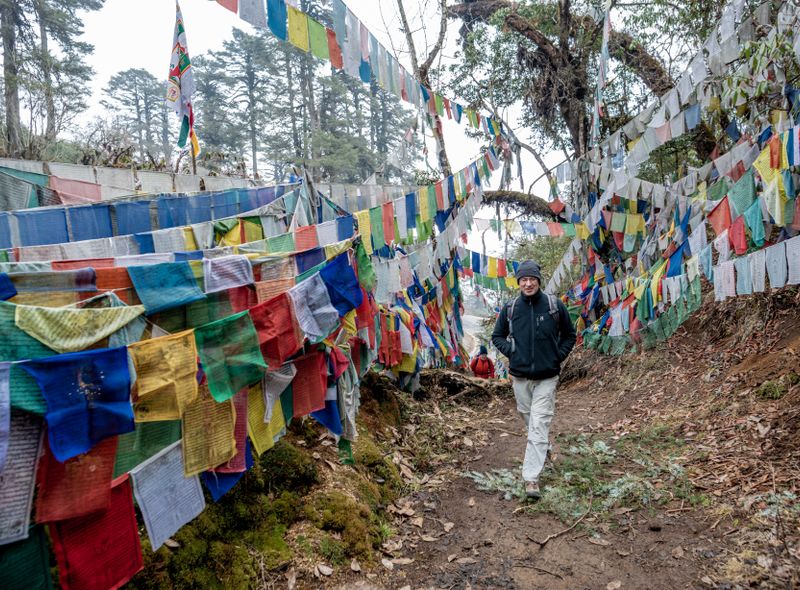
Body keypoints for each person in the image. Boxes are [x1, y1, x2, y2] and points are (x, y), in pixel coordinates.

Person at [491, 260, 576, 499]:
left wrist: (557, 356)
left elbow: (570, 335)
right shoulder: (511, 309)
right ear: (518, 282)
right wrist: (512, 352)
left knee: (538, 424)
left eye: (532, 279)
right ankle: (544, 446)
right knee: (529, 419)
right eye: (523, 280)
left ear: (539, 281)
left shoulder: (553, 306)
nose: (528, 283)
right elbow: (497, 336)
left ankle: (530, 479)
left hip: (547, 377)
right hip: (520, 378)